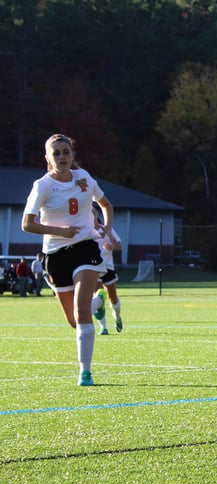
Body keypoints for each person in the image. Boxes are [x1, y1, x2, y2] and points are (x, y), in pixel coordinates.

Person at [21, 133, 113, 386]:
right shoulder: (43, 186)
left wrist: (105, 228)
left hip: (85, 248)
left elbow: (105, 204)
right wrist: (59, 231)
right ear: (48, 158)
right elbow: (27, 224)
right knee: (74, 321)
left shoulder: (84, 178)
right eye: (56, 153)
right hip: (56, 255)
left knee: (80, 310)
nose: (62, 157)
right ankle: (99, 303)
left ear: (73, 154)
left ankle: (85, 372)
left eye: (66, 152)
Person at [89, 202, 123, 335]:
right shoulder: (85, 231)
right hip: (94, 267)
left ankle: (117, 316)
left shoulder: (106, 228)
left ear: (96, 215)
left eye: (92, 213)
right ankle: (103, 327)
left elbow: (119, 245)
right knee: (97, 297)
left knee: (112, 298)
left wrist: (112, 247)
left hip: (108, 267)